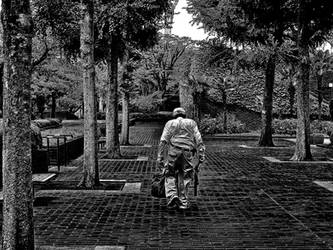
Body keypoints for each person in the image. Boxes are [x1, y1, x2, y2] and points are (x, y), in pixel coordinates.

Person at [157, 107, 205, 209]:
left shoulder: (170, 123)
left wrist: (160, 157)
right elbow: (199, 139)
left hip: (173, 151)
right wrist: (201, 156)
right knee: (186, 176)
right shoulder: (191, 123)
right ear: (184, 115)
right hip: (187, 152)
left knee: (169, 173)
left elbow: (163, 141)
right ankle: (183, 202)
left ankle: (172, 195)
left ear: (174, 115)